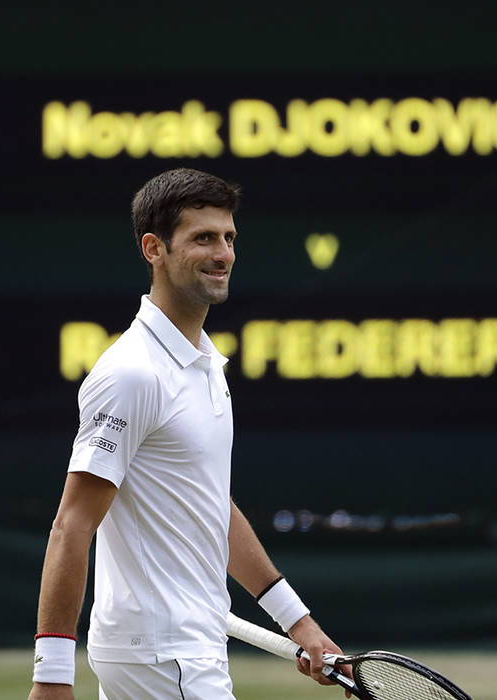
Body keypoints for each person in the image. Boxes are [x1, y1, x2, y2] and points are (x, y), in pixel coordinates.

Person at [28, 168, 346, 700]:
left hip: (175, 650)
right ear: (154, 249)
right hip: (164, 657)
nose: (223, 253)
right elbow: (73, 523)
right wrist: (53, 674)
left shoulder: (204, 367)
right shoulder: (132, 373)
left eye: (228, 238)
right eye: (203, 238)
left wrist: (299, 622)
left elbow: (209, 506)